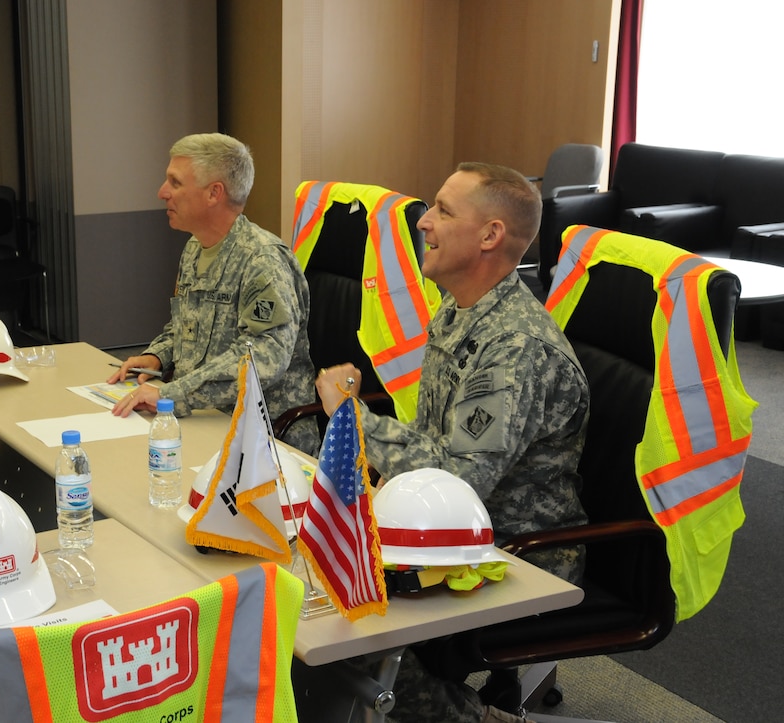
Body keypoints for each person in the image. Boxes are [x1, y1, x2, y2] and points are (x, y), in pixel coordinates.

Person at [315, 162, 590, 723]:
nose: (423, 222)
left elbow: (461, 480)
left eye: (443, 210)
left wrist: (352, 417)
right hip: (451, 528)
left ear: (489, 236)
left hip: (515, 550)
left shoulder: (515, 346)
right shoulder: (458, 306)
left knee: (351, 618)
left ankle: (464, 718)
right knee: (315, 574)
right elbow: (437, 442)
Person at [108, 133, 318, 454]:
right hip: (202, 419)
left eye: (175, 183)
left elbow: (262, 359)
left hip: (263, 440)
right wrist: (158, 356)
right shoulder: (195, 247)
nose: (162, 192)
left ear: (213, 193)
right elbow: (186, 326)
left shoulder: (262, 260)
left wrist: (172, 395)